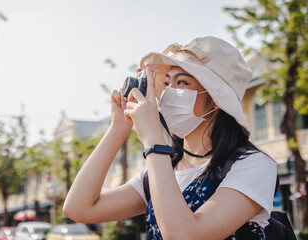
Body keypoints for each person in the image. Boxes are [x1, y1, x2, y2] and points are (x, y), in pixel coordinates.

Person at [63, 36, 277, 240]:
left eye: (182, 83)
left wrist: (154, 142)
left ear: (216, 101)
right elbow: (79, 208)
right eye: (167, 83)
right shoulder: (161, 172)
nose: (169, 92)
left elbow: (185, 235)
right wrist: (119, 127)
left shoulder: (253, 165)